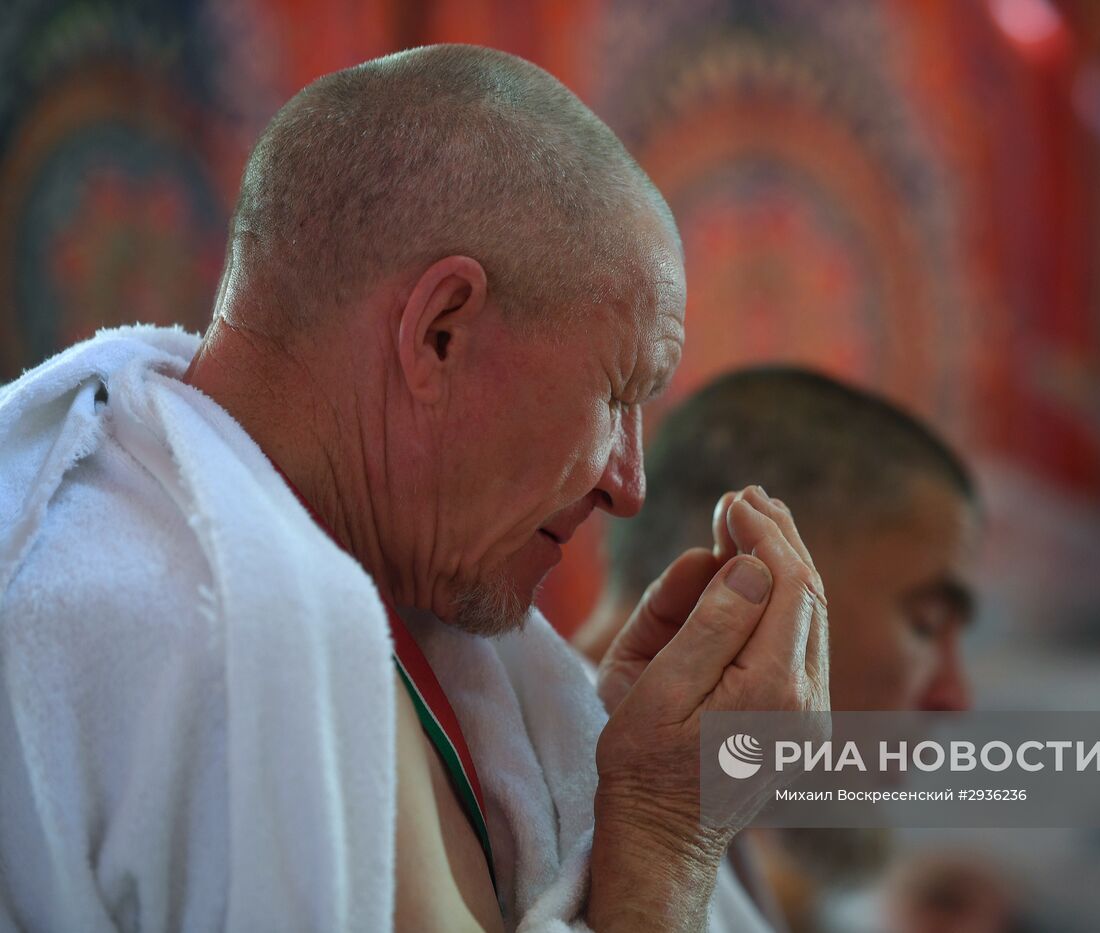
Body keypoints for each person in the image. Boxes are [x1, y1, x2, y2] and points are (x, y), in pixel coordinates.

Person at [0, 45, 829, 932]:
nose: (627, 485)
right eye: (619, 392)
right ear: (439, 333)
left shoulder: (364, 592)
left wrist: (599, 776)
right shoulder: (241, 633)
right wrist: (670, 836)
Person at [575, 367, 981, 932]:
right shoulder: (486, 798)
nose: (954, 697)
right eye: (925, 623)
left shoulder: (727, 852)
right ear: (751, 567)